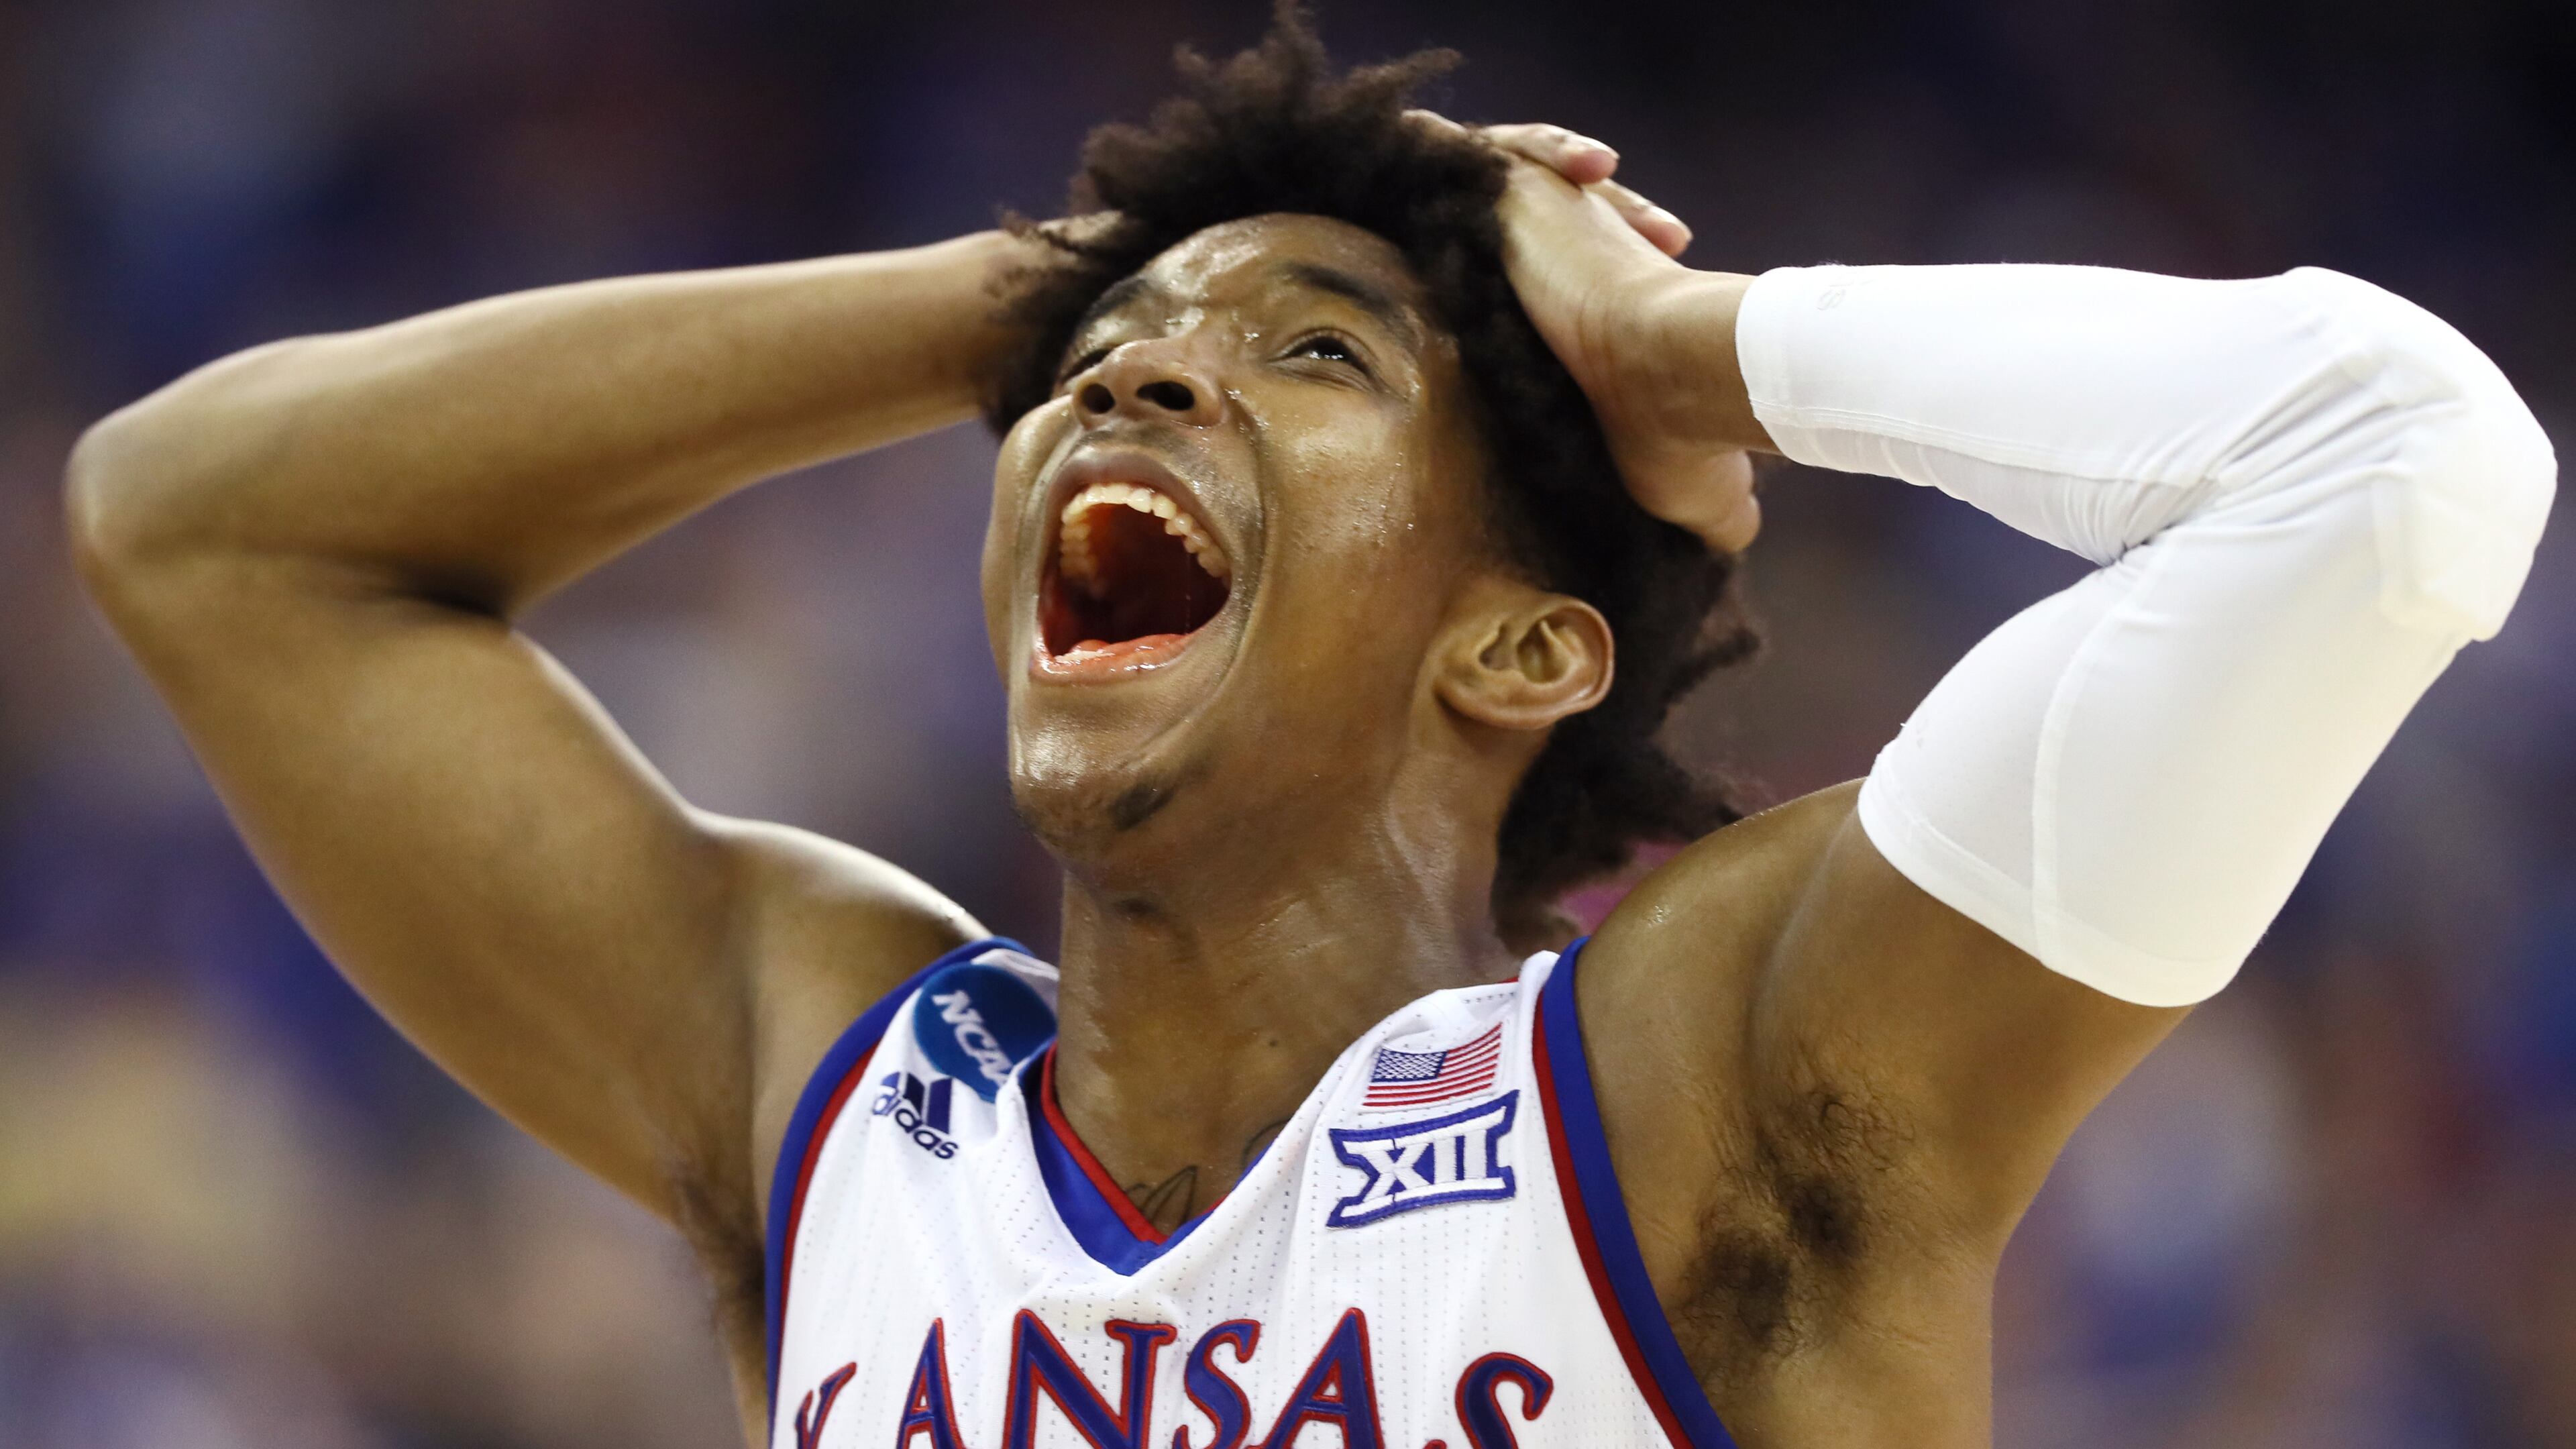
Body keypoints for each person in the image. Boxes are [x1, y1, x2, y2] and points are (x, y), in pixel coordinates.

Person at [63, 13, 2555, 1449]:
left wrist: (1691, 347)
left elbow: (2401, 468)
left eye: (1315, 358)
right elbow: (199, 524)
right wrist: (1027, 289)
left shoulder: (1708, 1090)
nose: (1145, 374)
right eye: (1113, 369)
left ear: (1521, 648)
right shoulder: (850, 1102)